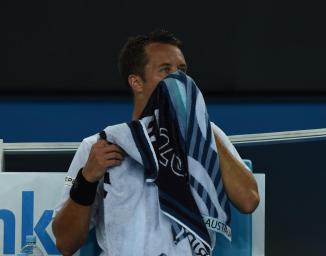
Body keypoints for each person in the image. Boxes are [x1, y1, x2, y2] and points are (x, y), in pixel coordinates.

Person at [52, 30, 259, 256]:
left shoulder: (207, 136)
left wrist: (202, 126)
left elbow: (248, 201)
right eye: (165, 70)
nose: (179, 79)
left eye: (182, 71)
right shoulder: (100, 145)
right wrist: (87, 178)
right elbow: (65, 243)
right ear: (136, 82)